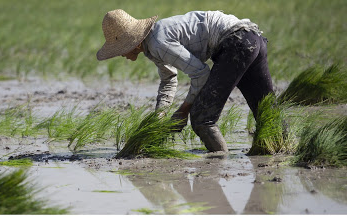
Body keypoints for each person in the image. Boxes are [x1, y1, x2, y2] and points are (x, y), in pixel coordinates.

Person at [96, 9, 274, 152]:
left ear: (133, 43)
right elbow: (169, 79)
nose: (120, 55)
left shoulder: (158, 43)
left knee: (202, 119)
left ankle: (219, 167)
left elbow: (201, 74)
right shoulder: (153, 43)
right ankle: (279, 152)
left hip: (236, 43)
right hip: (251, 38)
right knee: (267, 112)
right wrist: (159, 116)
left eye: (120, 50)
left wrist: (183, 110)